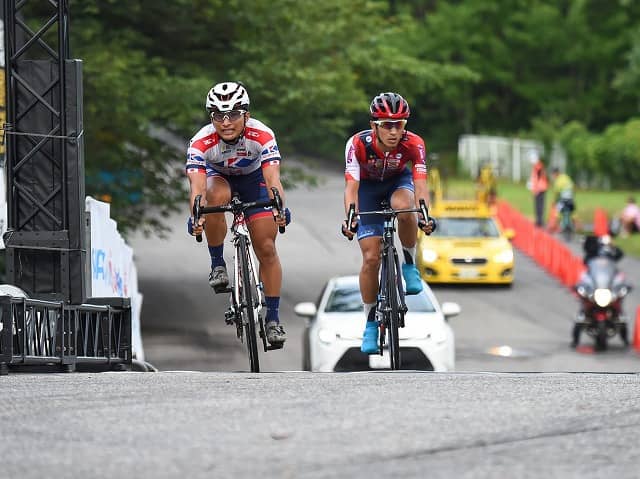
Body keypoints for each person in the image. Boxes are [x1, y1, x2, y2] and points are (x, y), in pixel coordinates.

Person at [185, 81, 288, 347]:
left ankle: (273, 319)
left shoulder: (262, 134)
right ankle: (217, 264)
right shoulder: (200, 141)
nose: (226, 122)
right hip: (218, 178)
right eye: (219, 115)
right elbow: (197, 188)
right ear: (211, 118)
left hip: (255, 180)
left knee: (266, 247)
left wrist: (279, 207)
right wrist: (197, 215)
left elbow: (272, 179)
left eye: (233, 114)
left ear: (247, 115)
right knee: (213, 199)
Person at [341, 92, 435, 354]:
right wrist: (350, 218)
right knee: (371, 258)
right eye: (387, 125)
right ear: (374, 125)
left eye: (399, 124)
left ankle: (409, 264)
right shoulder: (357, 144)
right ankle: (370, 323)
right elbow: (351, 188)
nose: (394, 131)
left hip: (397, 183)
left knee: (405, 207)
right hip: (367, 190)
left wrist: (424, 215)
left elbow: (420, 185)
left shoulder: (414, 143)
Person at [548, 167, 575, 232]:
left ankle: (559, 226)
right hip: (570, 199)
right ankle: (568, 226)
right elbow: (572, 186)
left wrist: (554, 201)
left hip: (564, 200)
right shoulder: (565, 177)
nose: (552, 176)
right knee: (567, 212)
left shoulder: (558, 180)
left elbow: (556, 193)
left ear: (556, 173)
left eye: (553, 174)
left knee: (557, 210)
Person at [527, 150, 548, 227]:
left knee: (539, 205)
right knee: (538, 205)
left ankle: (540, 221)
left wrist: (534, 187)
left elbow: (539, 178)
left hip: (540, 189)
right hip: (539, 188)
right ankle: (539, 221)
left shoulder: (538, 166)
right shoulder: (537, 166)